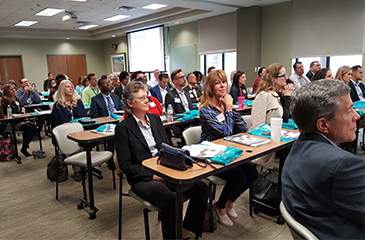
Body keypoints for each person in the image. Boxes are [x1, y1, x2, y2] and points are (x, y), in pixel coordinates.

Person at [115, 81, 209, 239]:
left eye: (147, 97)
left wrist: (178, 159)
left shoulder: (155, 119)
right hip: (143, 177)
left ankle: (185, 231)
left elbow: (164, 147)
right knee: (170, 200)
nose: (147, 100)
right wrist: (152, 175)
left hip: (164, 168)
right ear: (130, 103)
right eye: (141, 98)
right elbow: (125, 165)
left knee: (201, 188)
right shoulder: (123, 127)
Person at [282, 79, 364, 239]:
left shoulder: (299, 145)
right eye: (349, 110)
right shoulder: (344, 165)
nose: (356, 115)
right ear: (323, 125)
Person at [199, 70, 258, 227]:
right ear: (210, 87)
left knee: (252, 172)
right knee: (239, 177)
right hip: (212, 154)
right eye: (218, 83)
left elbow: (243, 128)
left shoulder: (225, 104)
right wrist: (230, 109)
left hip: (229, 151)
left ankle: (229, 202)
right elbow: (224, 133)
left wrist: (229, 109)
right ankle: (219, 207)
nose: (222, 85)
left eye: (224, 82)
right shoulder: (205, 110)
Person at [250, 63, 294, 169]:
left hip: (278, 142)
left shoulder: (279, 94)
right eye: (283, 76)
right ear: (274, 79)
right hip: (267, 147)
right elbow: (257, 127)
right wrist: (287, 99)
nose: (286, 78)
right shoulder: (264, 96)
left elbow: (288, 119)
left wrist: (287, 98)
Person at [51, 80, 88, 181]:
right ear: (62, 90)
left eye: (71, 86)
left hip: (79, 131)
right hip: (65, 135)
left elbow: (85, 118)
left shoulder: (78, 102)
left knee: (87, 140)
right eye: (67, 87)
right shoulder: (58, 106)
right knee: (76, 143)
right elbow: (61, 124)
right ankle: (78, 170)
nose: (71, 88)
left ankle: (84, 165)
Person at [1, 84, 36, 157]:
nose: (14, 91)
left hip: (20, 120)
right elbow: (14, 112)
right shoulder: (6, 101)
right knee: (28, 127)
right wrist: (23, 116)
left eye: (14, 89)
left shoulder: (16, 99)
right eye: (11, 89)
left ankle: (25, 146)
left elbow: (20, 109)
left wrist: (24, 115)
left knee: (33, 126)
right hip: (12, 123)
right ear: (7, 91)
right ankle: (24, 149)